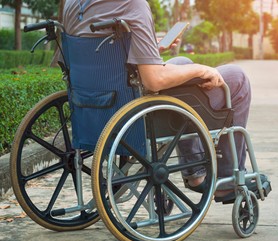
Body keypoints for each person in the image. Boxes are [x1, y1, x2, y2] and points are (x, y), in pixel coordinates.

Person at [62, 0, 253, 200]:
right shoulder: (133, 4)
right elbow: (154, 80)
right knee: (237, 77)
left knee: (182, 63)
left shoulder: (73, 4)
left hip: (94, 109)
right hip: (134, 115)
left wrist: (149, 48)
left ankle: (196, 173)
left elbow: (103, 58)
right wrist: (202, 69)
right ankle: (229, 179)